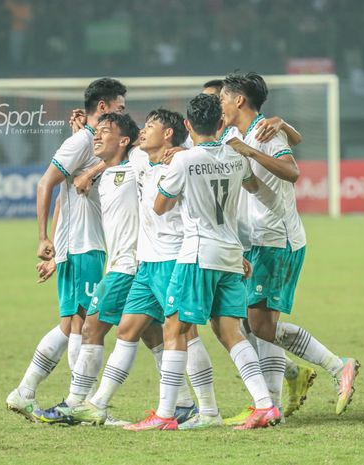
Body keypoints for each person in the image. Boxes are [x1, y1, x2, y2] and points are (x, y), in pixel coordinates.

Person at [125, 93, 280, 431]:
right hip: (230, 252)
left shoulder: (184, 160)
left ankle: (166, 414)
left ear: (187, 125)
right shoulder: (237, 158)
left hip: (197, 253)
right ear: (222, 123)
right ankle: (265, 405)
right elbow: (253, 188)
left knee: (174, 327)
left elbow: (160, 206)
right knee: (230, 332)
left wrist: (175, 177)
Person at [219, 72, 359, 417]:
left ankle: (338, 365)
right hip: (256, 239)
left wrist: (250, 151)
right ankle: (272, 406)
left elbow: (291, 171)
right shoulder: (237, 134)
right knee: (255, 325)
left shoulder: (266, 132)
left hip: (276, 240)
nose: (220, 102)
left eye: (223, 96)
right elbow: (254, 187)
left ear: (239, 99)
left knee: (259, 325)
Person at [71, 109, 211, 428]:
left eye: (151, 126)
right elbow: (112, 154)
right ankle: (98, 404)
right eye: (143, 126)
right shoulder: (137, 159)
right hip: (146, 263)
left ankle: (205, 408)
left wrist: (188, 152)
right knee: (128, 330)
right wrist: (89, 154)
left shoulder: (182, 161)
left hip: (173, 259)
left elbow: (206, 156)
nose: (143, 131)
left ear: (168, 135)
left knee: (187, 333)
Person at [5, 78, 127, 419]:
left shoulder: (98, 141)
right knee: (82, 322)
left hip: (86, 244)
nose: (122, 114)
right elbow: (47, 183)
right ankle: (79, 404)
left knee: (71, 323)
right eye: (119, 107)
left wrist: (57, 248)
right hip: (83, 245)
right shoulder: (81, 141)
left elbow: (66, 195)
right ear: (102, 107)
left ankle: (25, 391)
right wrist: (45, 239)